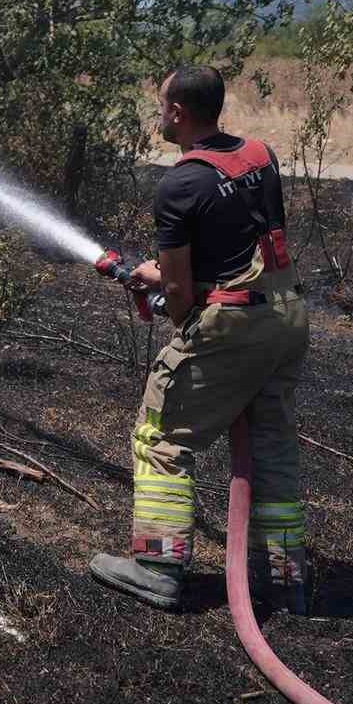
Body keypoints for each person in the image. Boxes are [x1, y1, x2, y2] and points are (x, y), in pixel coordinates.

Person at [89, 66, 310, 612]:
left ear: (178, 112)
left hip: (235, 326)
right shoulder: (259, 155)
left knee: (160, 438)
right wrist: (164, 278)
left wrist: (170, 296)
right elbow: (237, 241)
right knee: (271, 445)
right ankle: (283, 573)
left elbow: (180, 295)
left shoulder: (180, 184)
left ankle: (157, 567)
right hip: (286, 315)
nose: (158, 114)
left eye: (161, 105)